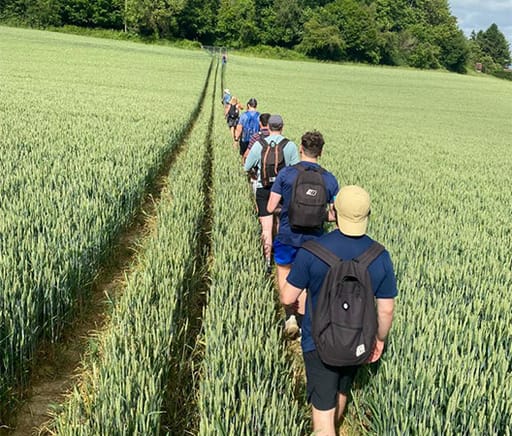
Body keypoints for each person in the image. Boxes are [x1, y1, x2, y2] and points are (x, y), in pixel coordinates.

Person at [280, 185, 398, 436]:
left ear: (333, 211)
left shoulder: (312, 252)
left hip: (318, 341)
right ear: (368, 215)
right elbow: (386, 310)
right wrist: (378, 339)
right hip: (357, 340)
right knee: (341, 391)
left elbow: (287, 296)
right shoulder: (380, 256)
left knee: (322, 422)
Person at [266, 131, 338, 336]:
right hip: (315, 241)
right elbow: (334, 215)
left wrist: (288, 210)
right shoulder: (329, 179)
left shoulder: (286, 174)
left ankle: (290, 317)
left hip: (288, 235)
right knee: (308, 281)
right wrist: (318, 215)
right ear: (321, 152)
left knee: (285, 273)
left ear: (300, 148)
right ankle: (305, 321)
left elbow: (271, 207)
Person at [244, 114, 299, 272]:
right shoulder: (289, 146)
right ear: (282, 127)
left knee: (266, 227)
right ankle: (282, 260)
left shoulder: (259, 145)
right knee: (281, 224)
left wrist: (256, 174)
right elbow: (296, 171)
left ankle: (267, 261)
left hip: (263, 189)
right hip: (283, 191)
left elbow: (247, 167)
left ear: (268, 126)